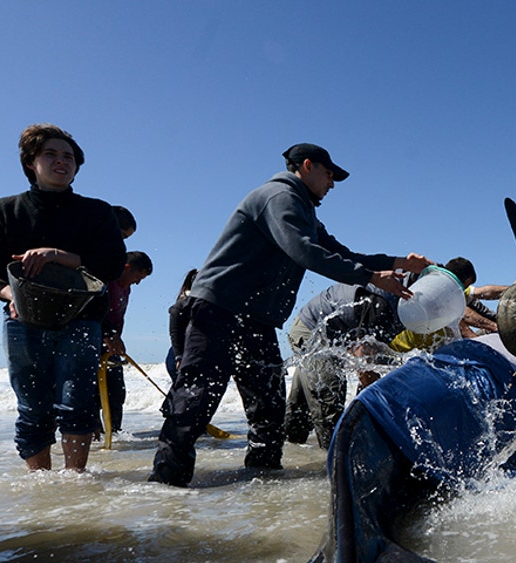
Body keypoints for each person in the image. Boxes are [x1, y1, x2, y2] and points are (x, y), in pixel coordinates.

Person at [149, 143, 428, 487]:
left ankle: (262, 480)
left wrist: (398, 263)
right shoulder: (278, 197)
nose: (332, 183)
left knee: (268, 407)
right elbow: (305, 252)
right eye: (329, 174)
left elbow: (341, 253)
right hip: (219, 308)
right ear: (307, 166)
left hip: (257, 319)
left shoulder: (306, 213)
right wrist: (370, 278)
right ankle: (166, 486)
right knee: (196, 398)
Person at [0, 123, 126, 472]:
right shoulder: (3, 211)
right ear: (30, 162)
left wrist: (57, 254)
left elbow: (112, 266)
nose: (62, 161)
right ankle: (41, 490)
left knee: (77, 404)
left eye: (69, 156)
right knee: (32, 408)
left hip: (82, 318)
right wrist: (11, 294)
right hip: (22, 320)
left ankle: (74, 484)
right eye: (50, 154)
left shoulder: (97, 212)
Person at [286, 257, 487, 448]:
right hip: (313, 333)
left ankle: (288, 464)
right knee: (329, 410)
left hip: (332, 336)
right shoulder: (385, 301)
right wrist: (389, 415)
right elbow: (362, 362)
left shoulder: (416, 292)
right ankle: (328, 476)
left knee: (298, 419)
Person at [101, 250, 154, 434]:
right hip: (96, 342)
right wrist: (109, 336)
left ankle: (114, 435)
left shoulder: (126, 288)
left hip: (113, 345)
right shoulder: (106, 282)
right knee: (92, 395)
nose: (137, 283)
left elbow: (118, 317)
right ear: (126, 267)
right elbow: (97, 312)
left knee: (117, 393)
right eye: (137, 277)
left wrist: (118, 338)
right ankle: (94, 436)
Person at [165, 268, 198, 382]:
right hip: (178, 356)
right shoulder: (181, 306)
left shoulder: (205, 305)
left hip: (193, 354)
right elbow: (175, 333)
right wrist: (179, 357)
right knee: (183, 394)